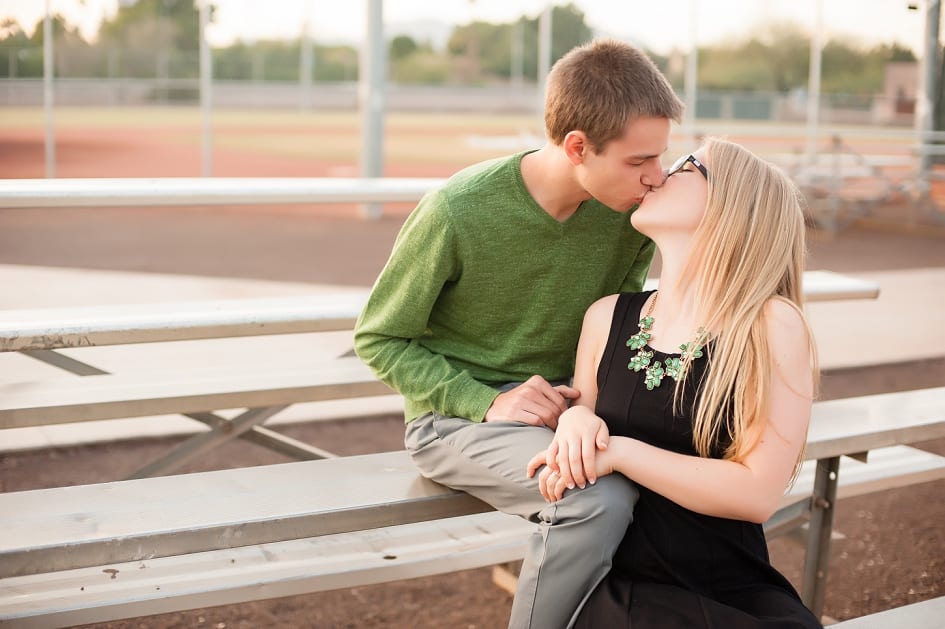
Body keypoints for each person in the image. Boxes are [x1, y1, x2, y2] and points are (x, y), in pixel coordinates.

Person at [354, 39, 683, 629]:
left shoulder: (628, 215)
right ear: (578, 147)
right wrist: (489, 401)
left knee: (686, 470)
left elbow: (615, 324)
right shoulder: (458, 210)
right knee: (593, 498)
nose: (656, 178)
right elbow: (380, 339)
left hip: (570, 405)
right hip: (457, 419)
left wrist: (585, 404)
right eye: (639, 162)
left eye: (660, 158)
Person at [526, 137, 824, 628]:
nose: (659, 174)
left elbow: (756, 495)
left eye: (688, 165)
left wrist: (620, 451)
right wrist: (575, 418)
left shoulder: (771, 324)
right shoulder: (606, 317)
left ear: (731, 205)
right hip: (615, 583)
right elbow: (584, 415)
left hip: (728, 586)